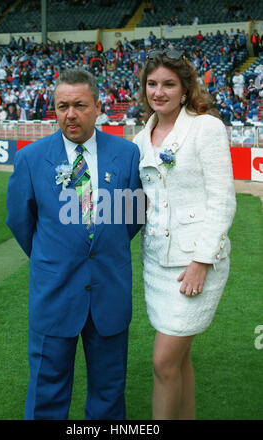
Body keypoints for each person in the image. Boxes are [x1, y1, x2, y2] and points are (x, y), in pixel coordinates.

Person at [6, 68, 142, 420]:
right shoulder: (31, 158)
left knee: (109, 395)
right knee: (45, 395)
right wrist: (56, 255)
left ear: (98, 106)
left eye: (80, 105)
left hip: (109, 293)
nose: (70, 114)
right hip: (55, 293)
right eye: (62, 106)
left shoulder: (127, 155)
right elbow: (22, 223)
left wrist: (98, 247)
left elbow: (131, 218)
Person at [133, 49, 236, 420]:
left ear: (184, 88)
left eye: (168, 84)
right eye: (152, 84)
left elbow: (223, 201)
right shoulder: (140, 140)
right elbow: (138, 204)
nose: (159, 92)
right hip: (157, 264)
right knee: (178, 361)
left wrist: (200, 261)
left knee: (162, 363)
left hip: (194, 265)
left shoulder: (206, 127)